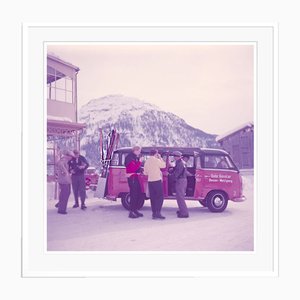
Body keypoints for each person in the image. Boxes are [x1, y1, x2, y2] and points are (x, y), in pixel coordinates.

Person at [144, 149, 166, 220]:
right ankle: (158, 212)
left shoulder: (147, 161)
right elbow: (163, 165)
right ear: (156, 154)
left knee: (153, 197)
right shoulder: (156, 160)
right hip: (157, 180)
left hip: (150, 181)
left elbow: (145, 172)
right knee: (160, 197)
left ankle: (154, 213)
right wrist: (160, 158)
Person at [125, 146, 144, 219]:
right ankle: (131, 212)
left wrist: (140, 169)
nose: (140, 152)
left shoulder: (134, 157)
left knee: (138, 194)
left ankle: (135, 210)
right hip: (132, 178)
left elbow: (136, 168)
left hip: (135, 177)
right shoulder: (129, 158)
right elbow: (132, 169)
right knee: (133, 194)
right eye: (139, 151)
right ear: (135, 150)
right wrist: (139, 162)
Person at [171, 151, 189, 218]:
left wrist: (170, 175)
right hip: (182, 180)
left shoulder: (180, 163)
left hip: (180, 181)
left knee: (180, 197)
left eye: (175, 156)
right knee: (179, 197)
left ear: (177, 157)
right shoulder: (181, 162)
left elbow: (177, 174)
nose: (174, 157)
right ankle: (181, 210)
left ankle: (184, 213)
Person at [56, 150, 74, 214]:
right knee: (65, 194)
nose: (71, 158)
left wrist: (68, 172)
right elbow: (60, 165)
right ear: (67, 156)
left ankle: (60, 205)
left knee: (65, 193)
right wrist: (64, 172)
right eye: (71, 156)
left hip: (65, 180)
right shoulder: (63, 160)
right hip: (64, 180)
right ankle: (61, 209)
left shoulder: (65, 161)